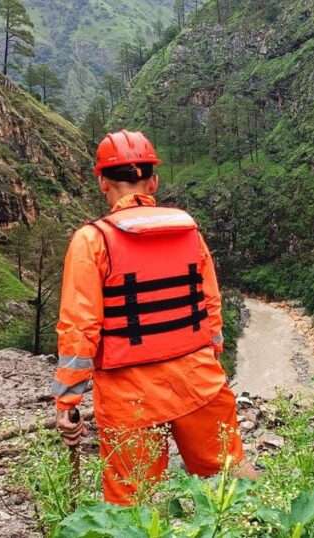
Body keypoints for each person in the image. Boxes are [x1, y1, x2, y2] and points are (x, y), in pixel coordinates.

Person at [52, 130, 256, 505]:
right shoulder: (189, 232)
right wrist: (211, 360)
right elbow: (211, 306)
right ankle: (267, 526)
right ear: (154, 181)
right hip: (199, 381)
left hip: (129, 396)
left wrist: (68, 399)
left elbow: (79, 327)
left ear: (102, 182)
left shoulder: (92, 241)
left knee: (133, 502)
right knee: (233, 477)